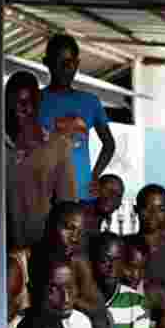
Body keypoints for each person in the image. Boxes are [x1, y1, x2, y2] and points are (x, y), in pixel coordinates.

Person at [28, 200, 119, 328]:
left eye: (80, 233)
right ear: (51, 225)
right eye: (69, 229)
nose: (75, 238)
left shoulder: (77, 260)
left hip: (69, 322)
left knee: (100, 320)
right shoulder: (30, 258)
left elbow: (97, 307)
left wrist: (66, 298)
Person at [37, 34, 115, 202]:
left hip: (82, 193)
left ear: (77, 64)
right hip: (44, 194)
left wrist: (95, 175)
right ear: (46, 62)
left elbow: (109, 144)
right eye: (58, 63)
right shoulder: (36, 101)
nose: (64, 69)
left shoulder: (90, 102)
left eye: (69, 63)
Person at [4, 70, 77, 250]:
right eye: (19, 103)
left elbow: (66, 207)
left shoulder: (58, 146)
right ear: (6, 104)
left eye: (31, 103)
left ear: (39, 104)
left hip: (41, 251)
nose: (25, 109)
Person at [135, 184, 165, 292]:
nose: (153, 213)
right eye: (147, 207)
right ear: (136, 209)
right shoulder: (121, 247)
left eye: (161, 209)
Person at [78, 173, 124, 255]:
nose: (112, 196)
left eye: (118, 195)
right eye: (107, 189)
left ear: (119, 204)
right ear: (94, 189)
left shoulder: (99, 229)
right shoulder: (76, 216)